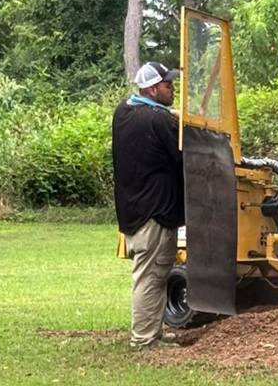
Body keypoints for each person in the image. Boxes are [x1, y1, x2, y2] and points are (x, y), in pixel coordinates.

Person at [112, 62, 184, 348]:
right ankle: (144, 339)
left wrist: (172, 114)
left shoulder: (124, 112)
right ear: (152, 89)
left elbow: (153, 114)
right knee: (150, 278)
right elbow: (184, 155)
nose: (172, 88)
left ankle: (153, 333)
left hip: (134, 211)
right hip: (154, 214)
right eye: (167, 85)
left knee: (153, 275)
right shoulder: (159, 122)